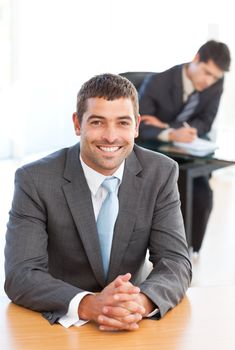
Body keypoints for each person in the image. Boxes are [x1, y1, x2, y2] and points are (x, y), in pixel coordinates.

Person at [5, 73, 191, 332]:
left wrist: (140, 302)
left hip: (130, 322)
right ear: (77, 124)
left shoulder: (160, 172)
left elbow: (175, 261)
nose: (111, 136)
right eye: (97, 122)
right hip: (59, 324)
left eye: (122, 123)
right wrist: (90, 304)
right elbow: (21, 274)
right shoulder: (35, 180)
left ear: (136, 126)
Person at [137, 40, 231, 252]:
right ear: (196, 58)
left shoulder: (216, 82)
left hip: (190, 152)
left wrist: (170, 127)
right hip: (156, 155)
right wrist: (171, 134)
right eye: (206, 72)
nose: (209, 81)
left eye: (215, 77)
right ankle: (169, 251)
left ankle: (190, 250)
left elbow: (206, 121)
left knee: (202, 195)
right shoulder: (157, 82)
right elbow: (138, 124)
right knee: (173, 196)